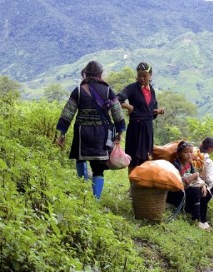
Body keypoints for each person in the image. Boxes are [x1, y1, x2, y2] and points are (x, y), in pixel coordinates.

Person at [56, 60, 126, 199]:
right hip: (102, 134)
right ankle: (96, 200)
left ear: (86, 74)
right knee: (98, 168)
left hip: (82, 133)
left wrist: (62, 133)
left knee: (81, 159)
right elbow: (117, 112)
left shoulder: (79, 91)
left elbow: (68, 113)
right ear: (100, 75)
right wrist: (120, 131)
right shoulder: (107, 90)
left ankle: (82, 193)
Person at [117, 62, 164, 172]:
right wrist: (128, 106)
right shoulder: (132, 88)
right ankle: (132, 184)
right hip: (135, 128)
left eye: (145, 75)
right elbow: (116, 99)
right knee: (133, 156)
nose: (142, 78)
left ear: (150, 75)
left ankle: (142, 184)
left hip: (147, 129)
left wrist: (157, 111)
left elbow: (150, 110)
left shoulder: (151, 90)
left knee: (147, 156)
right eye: (139, 75)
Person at [169, 141, 207, 229]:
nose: (189, 155)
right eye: (186, 152)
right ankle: (196, 219)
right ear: (179, 154)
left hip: (187, 189)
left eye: (191, 152)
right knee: (195, 190)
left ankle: (203, 220)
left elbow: (197, 179)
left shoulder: (190, 164)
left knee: (205, 192)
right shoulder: (175, 165)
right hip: (176, 193)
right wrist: (192, 178)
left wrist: (203, 185)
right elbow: (177, 185)